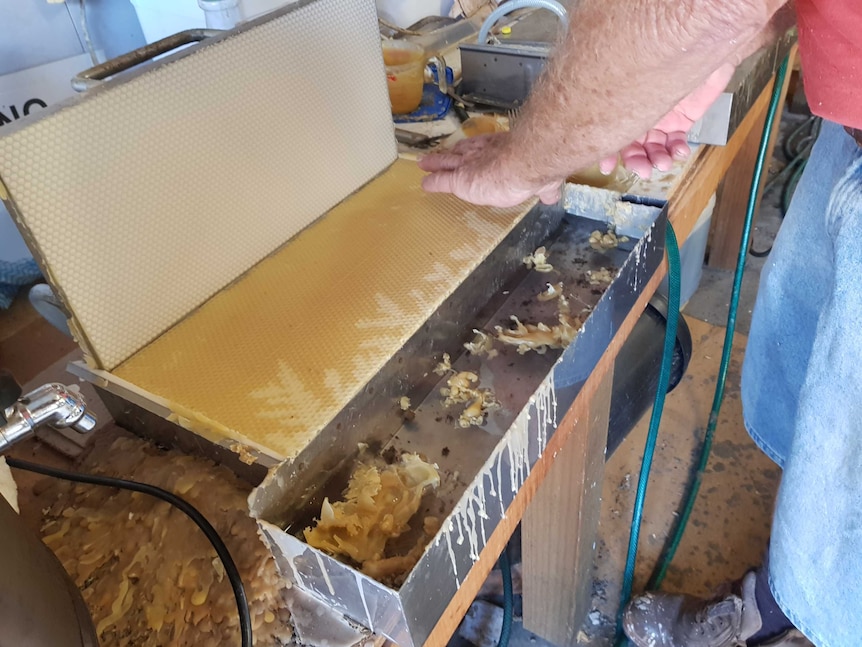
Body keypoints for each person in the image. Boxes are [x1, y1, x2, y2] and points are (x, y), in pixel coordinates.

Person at [419, 1, 862, 646]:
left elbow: (694, 5)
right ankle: (778, 605)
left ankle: (822, 619)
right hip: (850, 118)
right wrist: (698, 62)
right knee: (817, 415)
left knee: (851, 467)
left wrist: (522, 162)